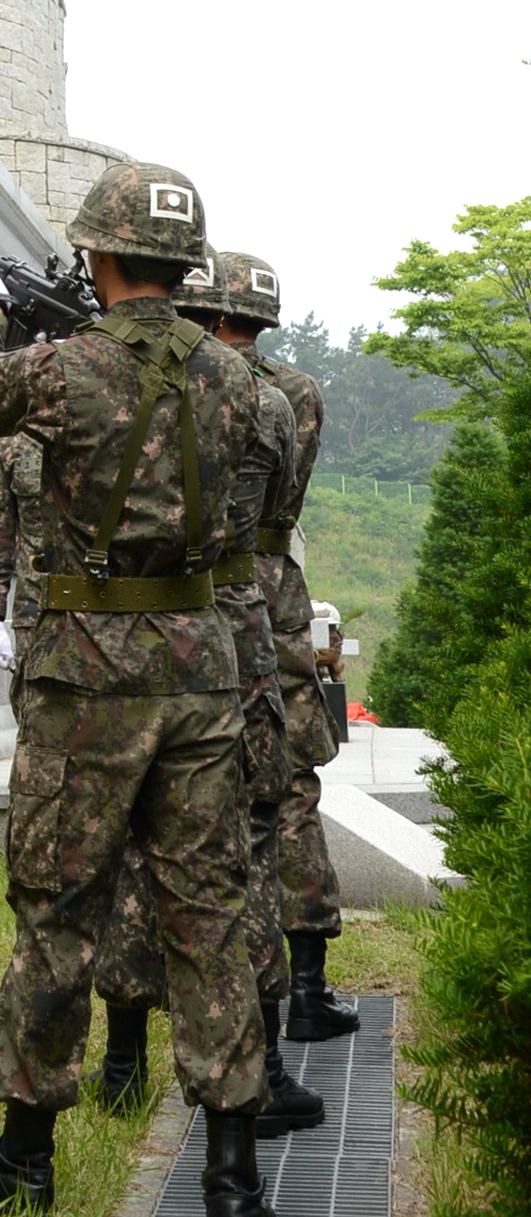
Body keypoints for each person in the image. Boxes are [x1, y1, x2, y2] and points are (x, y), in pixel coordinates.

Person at [0, 163, 277, 1217]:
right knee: (208, 909)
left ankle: (24, 1154)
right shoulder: (240, 384)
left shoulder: (63, 369)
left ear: (99, 255)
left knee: (57, 905)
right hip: (199, 664)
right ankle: (232, 1181)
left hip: (85, 670)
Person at [90, 253, 324, 1140]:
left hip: (140, 634)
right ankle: (253, 1070)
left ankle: (121, 1055)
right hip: (238, 634)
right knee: (238, 853)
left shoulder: (119, 382)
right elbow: (281, 509)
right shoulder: (266, 398)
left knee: (125, 853)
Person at [215, 252, 359, 1039]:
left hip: (204, 589)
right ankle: (306, 984)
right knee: (292, 782)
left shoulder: (199, 383)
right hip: (274, 586)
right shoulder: (294, 389)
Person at [0, 432, 45, 693]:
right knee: (38, 720)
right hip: (39, 616)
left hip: (118, 616)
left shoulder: (123, 426)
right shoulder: (16, 442)